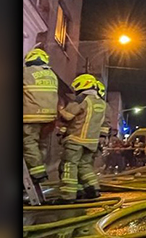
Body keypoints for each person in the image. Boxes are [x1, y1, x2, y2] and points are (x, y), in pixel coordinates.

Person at [55, 74, 107, 203]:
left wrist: (59, 110)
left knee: (68, 166)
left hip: (76, 139)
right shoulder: (102, 103)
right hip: (91, 142)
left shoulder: (82, 99)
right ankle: (93, 189)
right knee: (84, 166)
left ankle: (67, 196)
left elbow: (68, 116)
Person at [21, 48, 59, 190]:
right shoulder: (52, 74)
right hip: (49, 118)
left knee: (28, 142)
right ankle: (38, 168)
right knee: (41, 145)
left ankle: (37, 172)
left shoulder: (26, 72)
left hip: (30, 116)